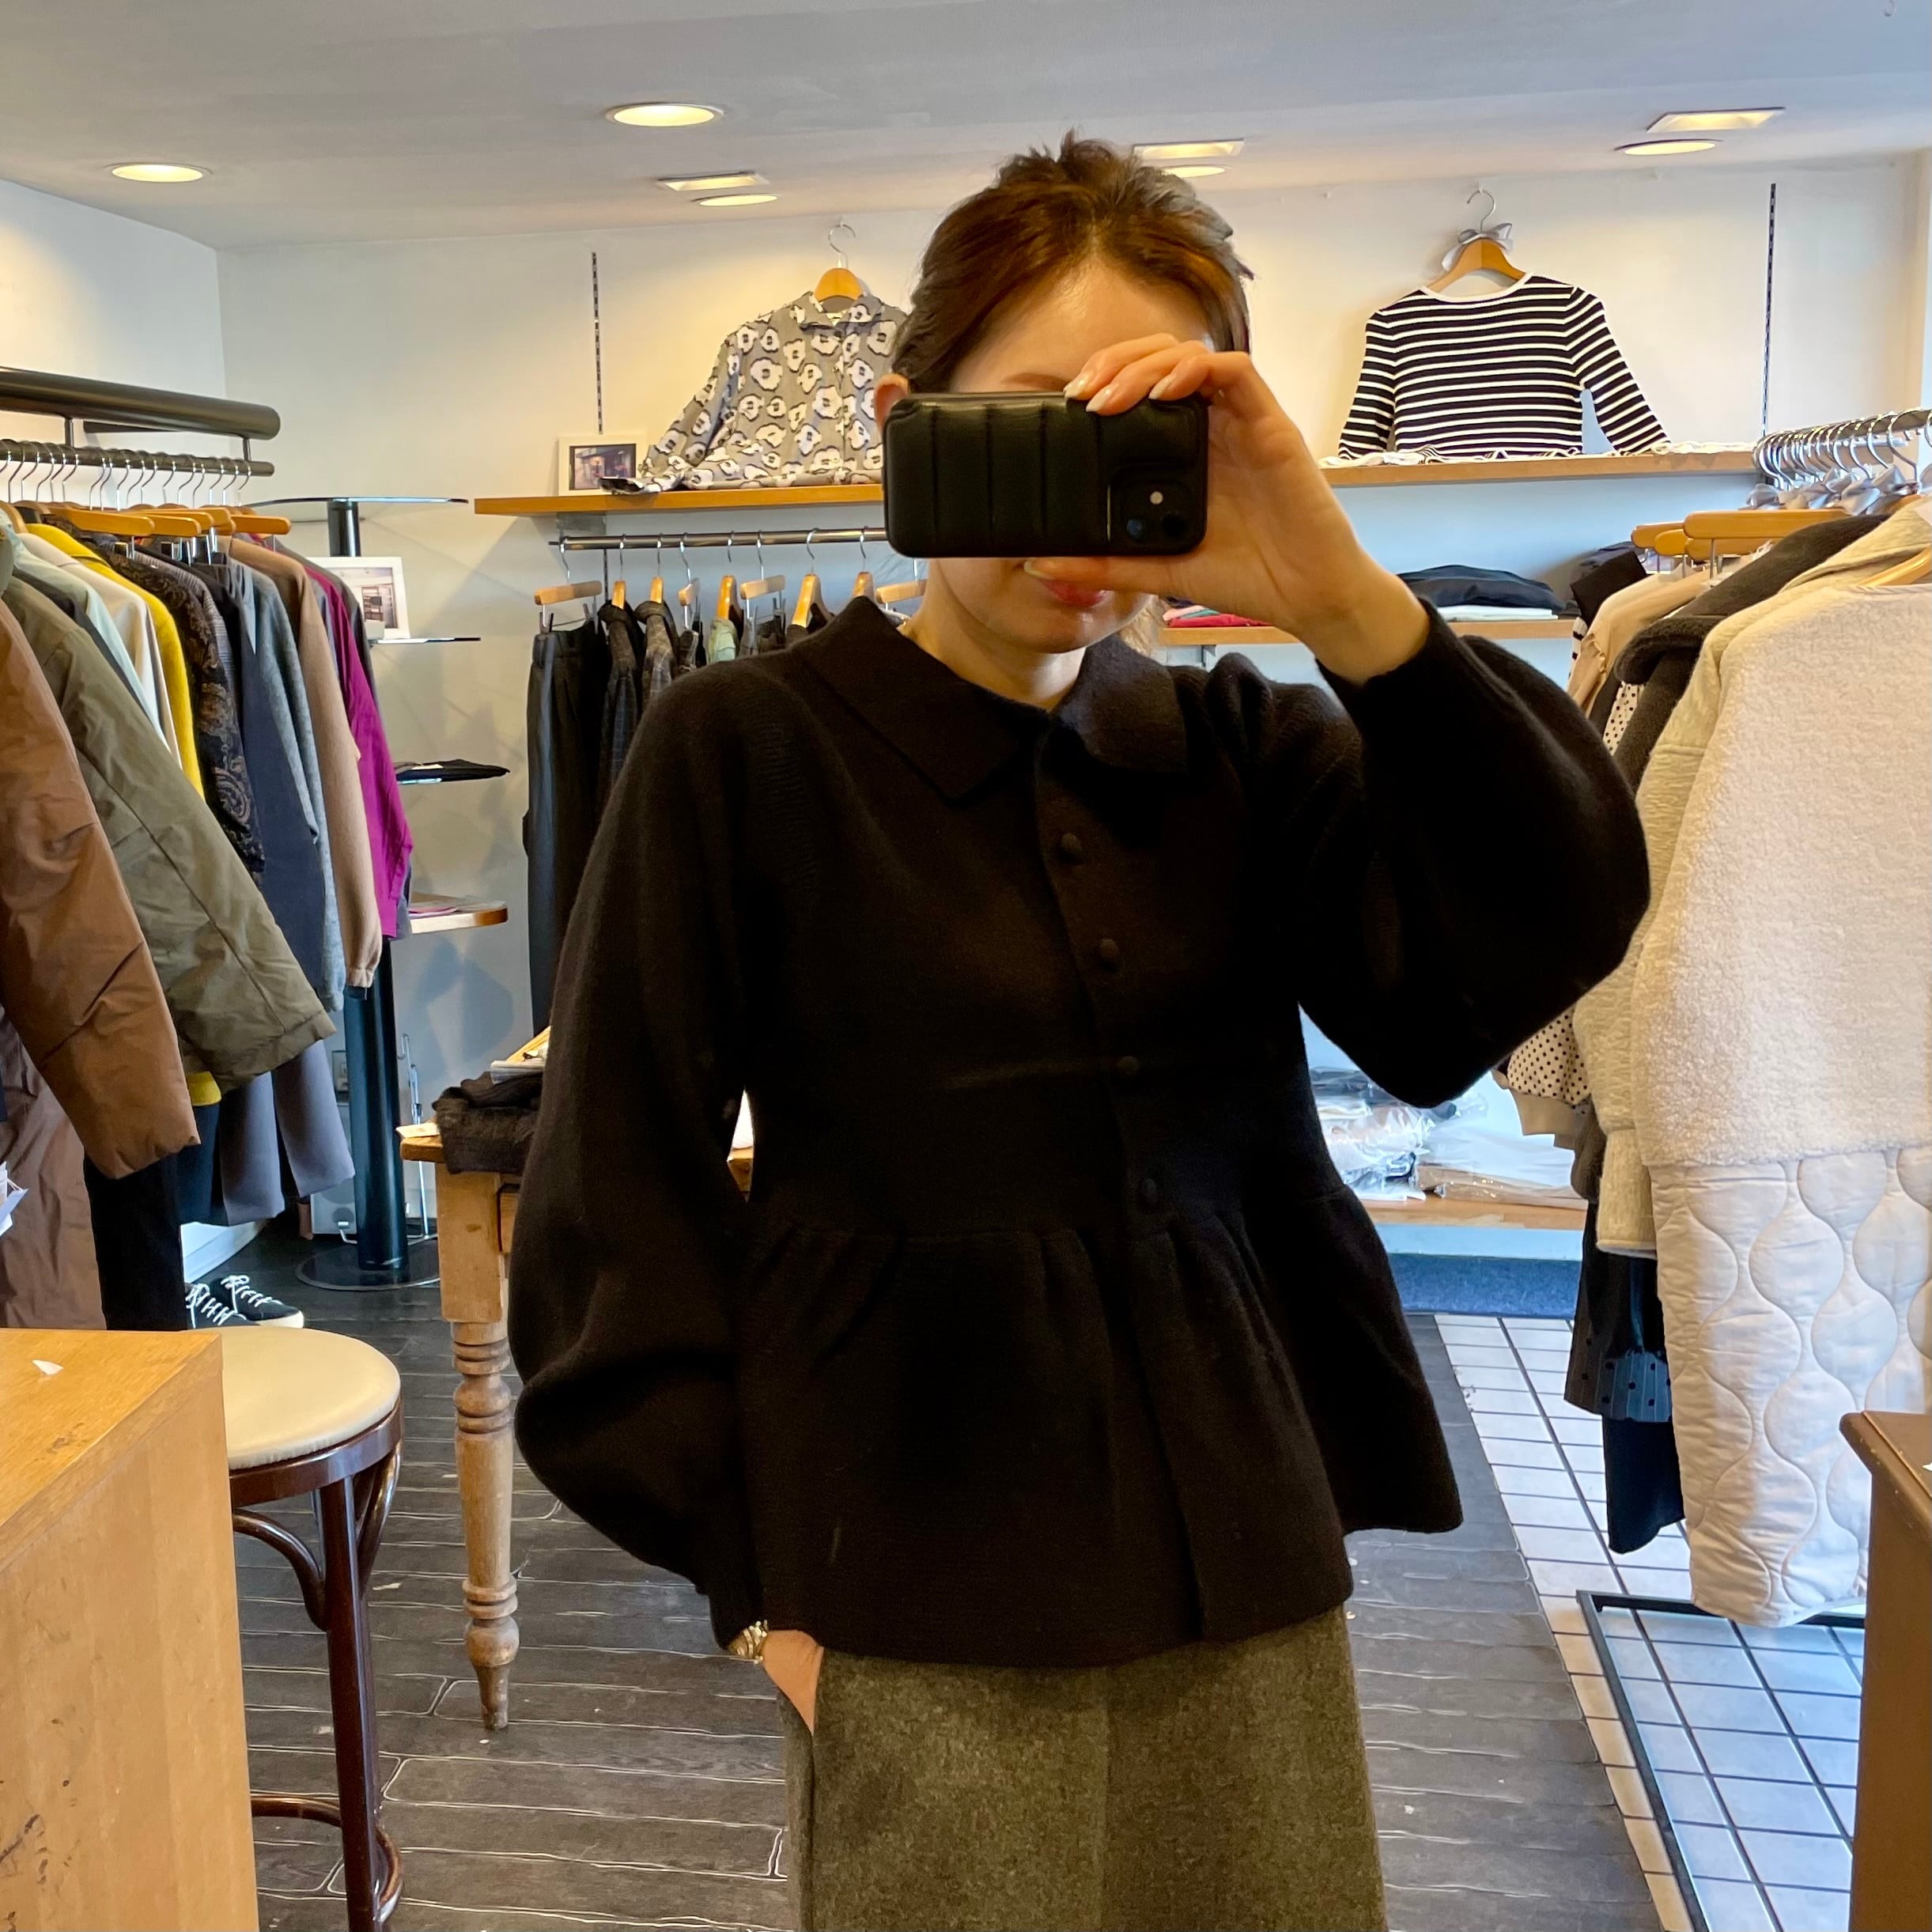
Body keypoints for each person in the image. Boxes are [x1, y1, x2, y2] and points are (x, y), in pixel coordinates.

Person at [509, 135, 1648, 1931]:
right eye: (1033, 421)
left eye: (1142, 435)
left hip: (1242, 1555)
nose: (1075, 505)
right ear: (909, 425)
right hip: (906, 1579)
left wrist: (1341, 595)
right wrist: (759, 1590)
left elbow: (1521, 943)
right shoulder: (744, 750)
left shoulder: (1238, 748)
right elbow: (612, 1199)